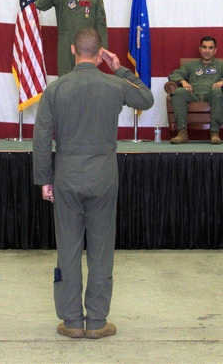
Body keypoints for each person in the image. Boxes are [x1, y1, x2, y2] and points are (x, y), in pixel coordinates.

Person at [33, 28, 154, 340]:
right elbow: (147, 98)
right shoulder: (114, 84)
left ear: (73, 50)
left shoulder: (56, 89)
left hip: (66, 174)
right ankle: (97, 321)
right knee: (101, 249)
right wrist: (120, 68)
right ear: (101, 53)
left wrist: (44, 179)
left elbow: (42, 138)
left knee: (68, 249)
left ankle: (72, 320)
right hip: (103, 174)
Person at [35, 0, 108, 76]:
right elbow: (39, 4)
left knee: (86, 82)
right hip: (66, 49)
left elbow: (101, 25)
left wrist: (101, 51)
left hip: (88, 49)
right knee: (65, 83)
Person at [167, 36, 223, 144]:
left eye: (210, 48)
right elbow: (174, 74)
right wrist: (183, 82)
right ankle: (182, 133)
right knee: (178, 92)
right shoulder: (191, 65)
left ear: (215, 50)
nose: (207, 51)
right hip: (193, 95)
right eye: (204, 47)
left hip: (210, 95)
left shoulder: (221, 66)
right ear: (200, 49)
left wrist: (222, 82)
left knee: (216, 91)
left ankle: (215, 133)